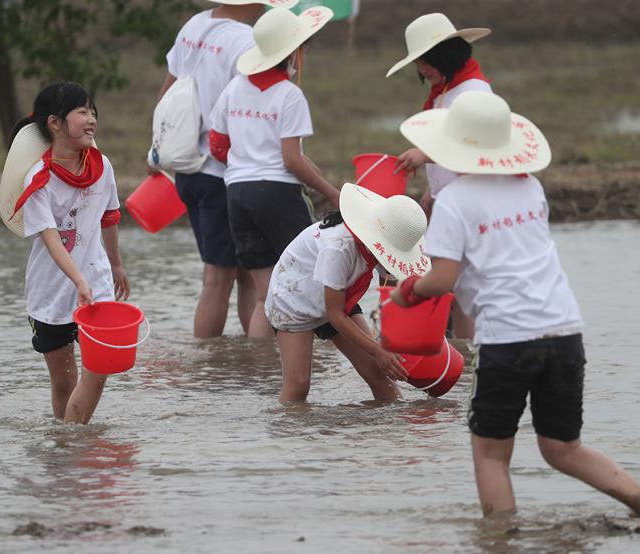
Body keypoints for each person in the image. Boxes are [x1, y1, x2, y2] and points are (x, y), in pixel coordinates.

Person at [391, 90, 640, 518]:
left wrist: (407, 290)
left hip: (508, 339)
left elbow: (444, 279)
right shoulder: (530, 188)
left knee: (490, 455)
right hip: (564, 332)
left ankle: (500, 541)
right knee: (563, 448)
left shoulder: (454, 202)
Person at [156, 1, 299, 338]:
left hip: (188, 169)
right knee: (224, 280)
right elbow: (257, 107)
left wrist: (157, 152)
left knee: (234, 276)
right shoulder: (247, 41)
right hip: (223, 172)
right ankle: (221, 372)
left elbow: (167, 94)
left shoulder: (194, 25)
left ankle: (231, 370)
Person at [209, 6, 341, 338]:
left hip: (237, 193)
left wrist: (248, 164)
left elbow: (217, 144)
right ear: (295, 52)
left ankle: (260, 374)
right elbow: (290, 160)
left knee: (266, 296)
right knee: (306, 286)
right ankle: (295, 370)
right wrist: (331, 191)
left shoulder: (234, 89)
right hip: (279, 195)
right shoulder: (290, 95)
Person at [7, 82, 130, 424]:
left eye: (93, 112)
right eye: (81, 112)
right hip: (51, 293)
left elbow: (109, 216)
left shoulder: (102, 166)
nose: (91, 120)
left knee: (98, 370)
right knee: (64, 380)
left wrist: (116, 266)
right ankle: (66, 450)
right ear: (55, 123)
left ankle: (74, 441)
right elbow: (52, 240)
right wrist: (78, 282)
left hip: (97, 286)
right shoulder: (39, 179)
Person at [266, 182, 431, 403]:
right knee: (298, 387)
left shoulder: (377, 242)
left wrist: (405, 335)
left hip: (339, 294)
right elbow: (335, 316)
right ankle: (290, 435)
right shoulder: (338, 247)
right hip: (295, 298)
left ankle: (391, 431)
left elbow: (393, 290)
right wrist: (378, 350)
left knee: (379, 374)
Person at [387, 13, 492, 340]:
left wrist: (425, 154)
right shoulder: (445, 91)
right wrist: (433, 192)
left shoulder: (474, 92)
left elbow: (479, 149)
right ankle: (462, 360)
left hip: (473, 202)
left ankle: (469, 357)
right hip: (451, 202)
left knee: (468, 287)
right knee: (459, 285)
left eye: (424, 62)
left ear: (443, 56)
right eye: (419, 63)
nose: (421, 70)